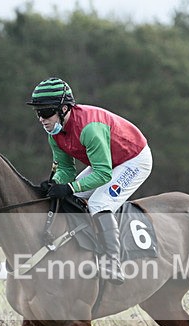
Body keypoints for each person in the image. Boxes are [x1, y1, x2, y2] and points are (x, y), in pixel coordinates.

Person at [27, 77, 153, 285]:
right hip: (109, 160)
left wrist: (68, 186)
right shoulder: (54, 133)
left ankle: (113, 262)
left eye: (46, 112)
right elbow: (66, 169)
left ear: (65, 109)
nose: (41, 119)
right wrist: (55, 183)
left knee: (99, 203)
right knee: (73, 196)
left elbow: (103, 174)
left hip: (134, 160)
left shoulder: (90, 129)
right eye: (38, 113)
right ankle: (84, 249)